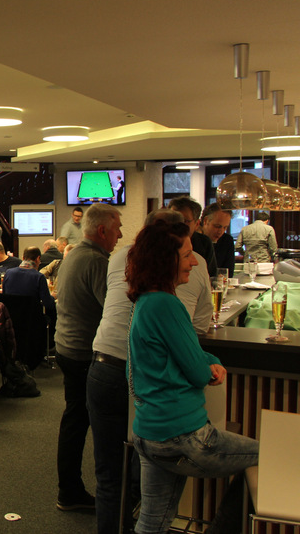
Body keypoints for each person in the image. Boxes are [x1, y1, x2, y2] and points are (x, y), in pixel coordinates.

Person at [126, 221, 258, 534]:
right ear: (166, 260)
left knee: (152, 523)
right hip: (182, 435)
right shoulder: (167, 304)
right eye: (187, 255)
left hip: (149, 432)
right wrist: (208, 364)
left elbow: (187, 355)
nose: (195, 261)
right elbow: (198, 371)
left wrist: (207, 360)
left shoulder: (146, 302)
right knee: (264, 457)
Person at [87, 208, 212, 534]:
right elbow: (199, 329)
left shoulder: (119, 258)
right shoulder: (192, 264)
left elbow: (112, 307)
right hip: (153, 379)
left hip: (105, 366)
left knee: (109, 473)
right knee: (150, 471)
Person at [54, 203, 122, 512]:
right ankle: (71, 491)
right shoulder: (96, 261)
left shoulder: (74, 254)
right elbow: (113, 309)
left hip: (66, 346)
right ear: (103, 230)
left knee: (74, 420)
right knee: (84, 423)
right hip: (83, 352)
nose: (120, 235)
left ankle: (69, 489)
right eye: (118, 228)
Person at [2, 246, 56, 322]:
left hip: (12, 320)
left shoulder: (8, 273)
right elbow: (48, 304)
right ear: (38, 258)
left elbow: (5, 296)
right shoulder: (39, 277)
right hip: (32, 321)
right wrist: (53, 297)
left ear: (23, 258)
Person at [168, 196, 218, 277]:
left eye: (185, 221)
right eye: (174, 220)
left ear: (197, 224)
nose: (178, 224)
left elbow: (211, 276)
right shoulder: (161, 243)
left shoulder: (204, 243)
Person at [201, 203, 235, 277]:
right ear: (206, 221)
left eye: (225, 227)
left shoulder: (227, 241)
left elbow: (228, 274)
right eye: (217, 226)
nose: (221, 232)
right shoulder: (193, 240)